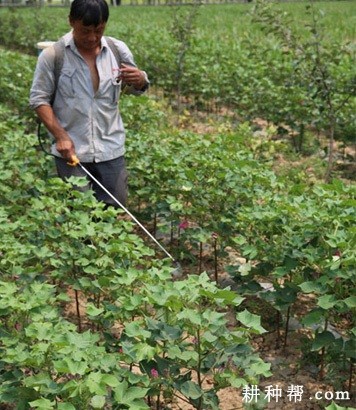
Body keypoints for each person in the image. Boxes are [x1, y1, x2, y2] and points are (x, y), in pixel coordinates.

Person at [30, 0, 149, 207]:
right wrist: (61, 136)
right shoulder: (54, 56)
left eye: (99, 30)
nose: (92, 37)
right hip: (72, 151)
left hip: (111, 148)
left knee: (114, 209)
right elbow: (39, 99)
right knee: (80, 212)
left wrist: (140, 80)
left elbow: (135, 88)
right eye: (85, 31)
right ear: (71, 21)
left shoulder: (117, 50)